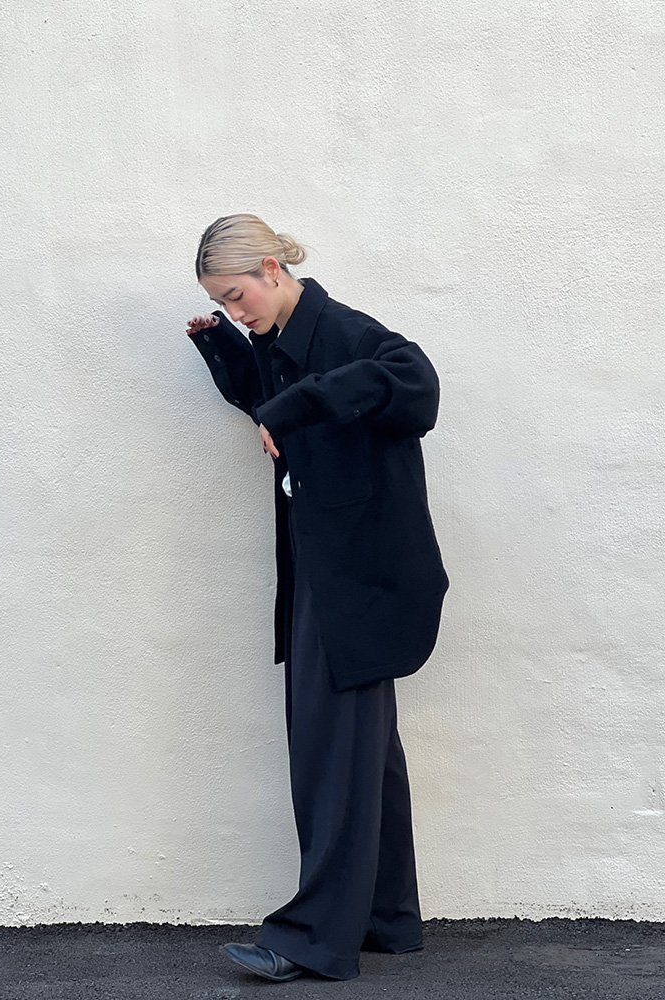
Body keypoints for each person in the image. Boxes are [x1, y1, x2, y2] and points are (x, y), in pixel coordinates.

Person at [186, 213, 449, 983]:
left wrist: (293, 406)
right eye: (222, 303)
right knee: (364, 756)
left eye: (237, 297)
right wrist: (223, 347)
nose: (237, 310)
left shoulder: (347, 333)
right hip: (328, 574)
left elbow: (417, 388)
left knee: (331, 757)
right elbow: (273, 407)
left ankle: (313, 939)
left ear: (271, 269)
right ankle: (385, 919)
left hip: (361, 582)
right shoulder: (279, 343)